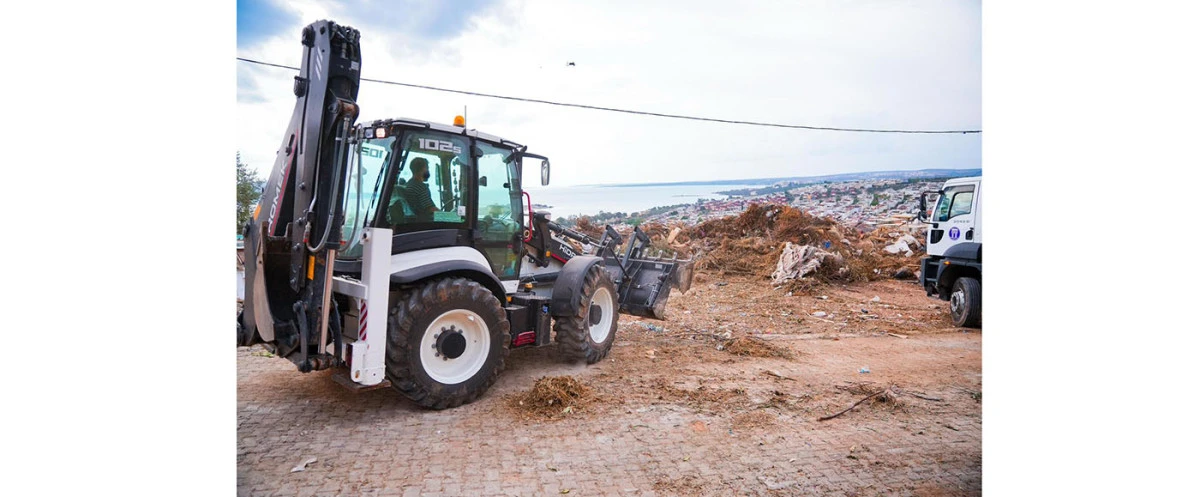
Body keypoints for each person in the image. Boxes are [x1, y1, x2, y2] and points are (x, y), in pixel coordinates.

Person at [400, 157, 437, 222]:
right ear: (423, 169)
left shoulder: (408, 185)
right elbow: (431, 210)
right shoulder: (420, 187)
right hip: (423, 224)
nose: (428, 171)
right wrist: (452, 217)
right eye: (427, 168)